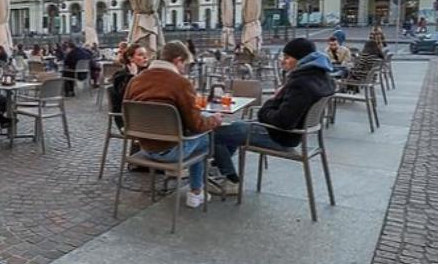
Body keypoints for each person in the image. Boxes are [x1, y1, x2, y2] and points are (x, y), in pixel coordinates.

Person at [212, 38, 336, 194]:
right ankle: (217, 167)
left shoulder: (301, 83)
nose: (283, 61)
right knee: (231, 130)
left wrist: (270, 103)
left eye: (287, 58)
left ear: (301, 59)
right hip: (293, 134)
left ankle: (230, 180)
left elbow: (283, 121)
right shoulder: (323, 77)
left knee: (214, 131)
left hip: (279, 136)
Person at [124, 41, 223, 208]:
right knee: (207, 137)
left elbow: (127, 113)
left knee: (199, 130)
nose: (185, 68)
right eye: (184, 63)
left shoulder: (136, 80)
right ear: (177, 60)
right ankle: (196, 192)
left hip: (145, 148)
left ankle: (195, 189)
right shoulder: (180, 83)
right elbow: (196, 125)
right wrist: (215, 120)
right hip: (171, 151)